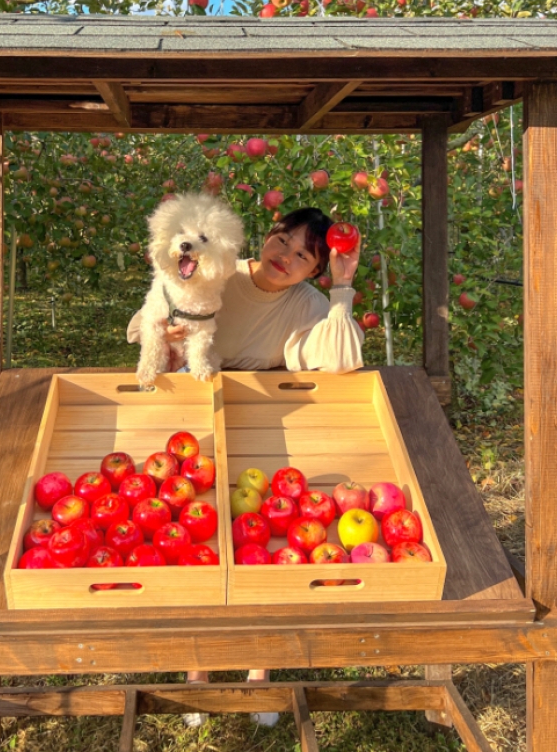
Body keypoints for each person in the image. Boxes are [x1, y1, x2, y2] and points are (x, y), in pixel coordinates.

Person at [127, 206, 364, 728]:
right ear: (268, 235)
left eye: (306, 255)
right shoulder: (220, 268)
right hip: (192, 413)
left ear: (315, 269)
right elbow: (152, 311)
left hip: (260, 417)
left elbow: (343, 359)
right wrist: (163, 337)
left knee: (260, 550)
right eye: (284, 241)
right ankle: (198, 666)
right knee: (196, 540)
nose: (287, 256)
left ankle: (259, 668)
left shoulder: (307, 304)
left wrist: (343, 288)